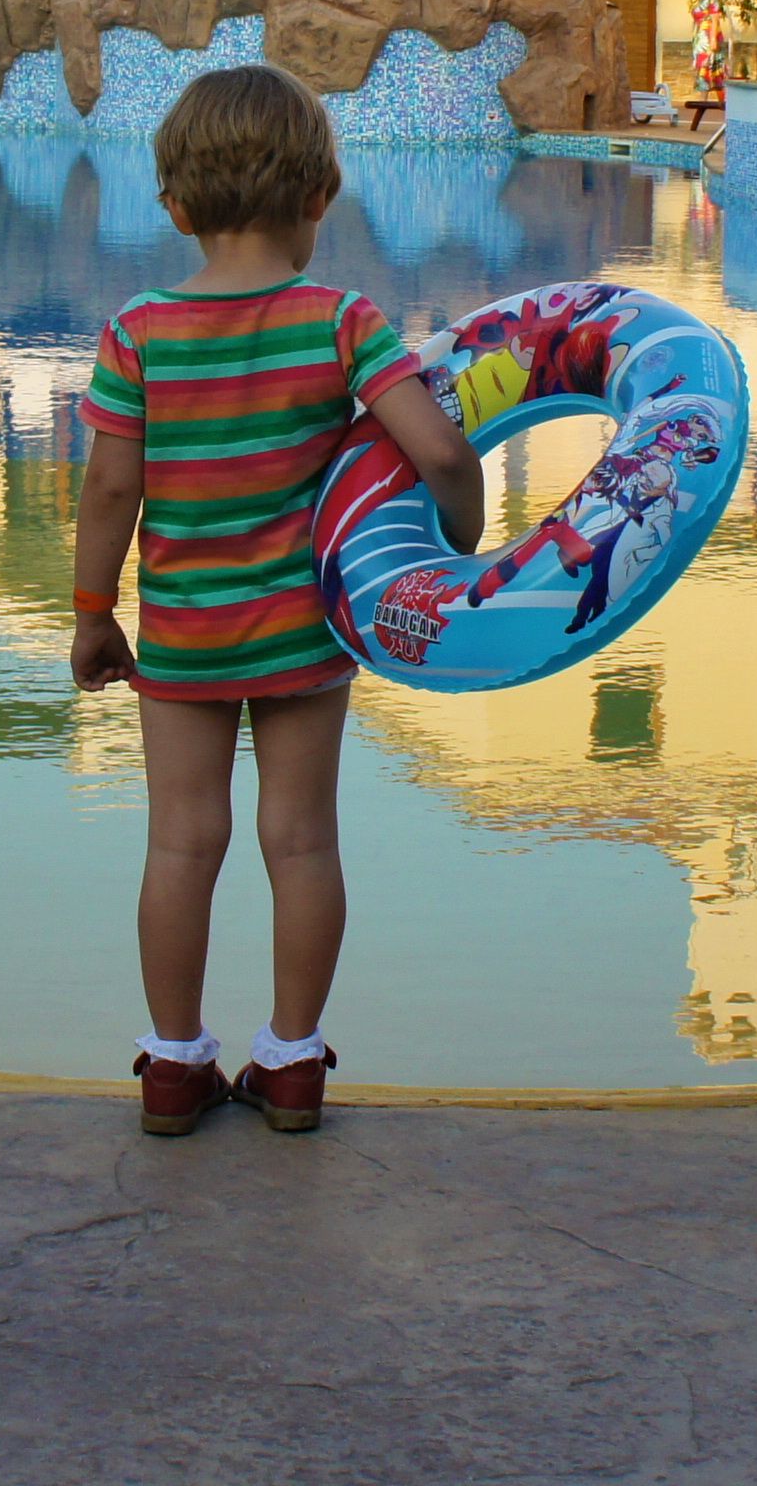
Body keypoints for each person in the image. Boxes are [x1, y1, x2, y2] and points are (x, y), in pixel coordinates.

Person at [69, 66, 484, 1137]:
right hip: (306, 629)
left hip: (186, 633)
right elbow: (436, 444)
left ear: (174, 206)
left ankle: (172, 1064)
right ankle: (293, 1062)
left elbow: (113, 483)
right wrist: (464, 537)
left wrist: (92, 610)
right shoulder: (341, 318)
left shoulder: (140, 328)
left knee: (179, 842)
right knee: (300, 840)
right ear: (318, 197)